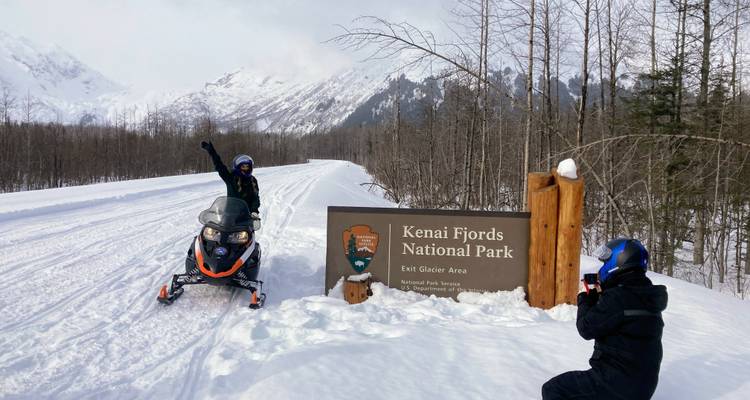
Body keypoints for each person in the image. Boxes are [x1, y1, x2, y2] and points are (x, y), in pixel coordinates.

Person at [542, 238, 668, 400]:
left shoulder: (618, 297)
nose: (602, 267)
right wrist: (601, 295)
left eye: (605, 261)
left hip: (615, 383)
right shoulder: (647, 296)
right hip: (642, 386)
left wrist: (586, 297)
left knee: (554, 389)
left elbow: (586, 328)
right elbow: (618, 317)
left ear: (619, 260)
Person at [201, 140, 261, 227]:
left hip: (246, 217)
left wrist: (254, 211)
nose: (245, 168)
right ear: (237, 167)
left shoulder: (253, 180)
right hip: (229, 216)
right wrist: (212, 152)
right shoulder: (231, 178)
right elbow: (219, 166)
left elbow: (255, 197)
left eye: (247, 166)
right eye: (243, 166)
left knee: (247, 238)